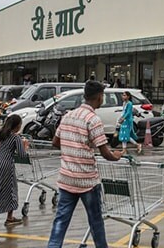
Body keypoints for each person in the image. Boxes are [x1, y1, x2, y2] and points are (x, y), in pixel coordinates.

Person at [47, 81, 123, 248]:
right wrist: (116, 156)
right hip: (87, 181)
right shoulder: (93, 120)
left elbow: (55, 142)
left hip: (66, 178)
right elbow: (105, 152)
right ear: (99, 97)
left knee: (61, 219)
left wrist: (71, 149)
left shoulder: (68, 116)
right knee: (95, 220)